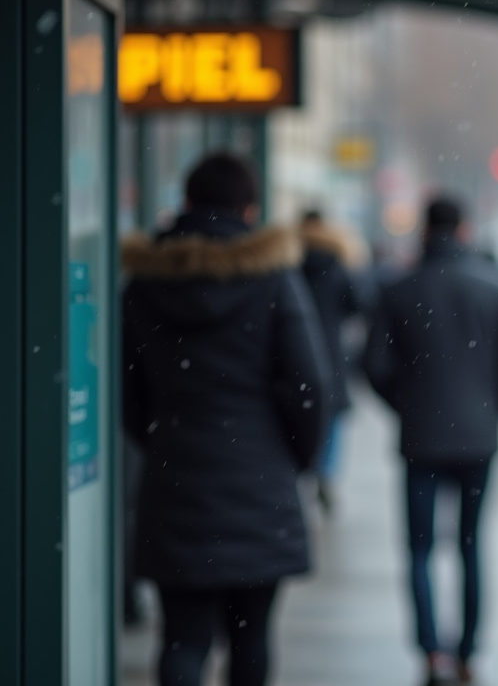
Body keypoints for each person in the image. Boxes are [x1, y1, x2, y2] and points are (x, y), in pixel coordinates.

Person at [122, 153, 330, 686]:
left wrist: (163, 437)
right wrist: (293, 458)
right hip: (258, 484)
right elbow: (310, 386)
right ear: (250, 210)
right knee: (250, 640)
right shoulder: (275, 282)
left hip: (175, 480)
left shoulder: (145, 285)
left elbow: (126, 390)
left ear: (185, 205)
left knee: (182, 638)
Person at [364, 196, 498, 685]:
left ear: (425, 231)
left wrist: (408, 406)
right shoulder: (496, 287)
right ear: (463, 230)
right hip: (478, 440)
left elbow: (374, 366)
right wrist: (491, 405)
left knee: (419, 548)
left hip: (421, 438)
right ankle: (467, 652)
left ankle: (429, 651)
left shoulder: (399, 289)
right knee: (470, 545)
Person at [298, 208, 363, 512]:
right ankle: (325, 472)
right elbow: (359, 302)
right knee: (332, 418)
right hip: (330, 353)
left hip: (295, 351)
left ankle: (305, 469)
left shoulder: (290, 263)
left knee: (298, 409)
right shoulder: (335, 265)